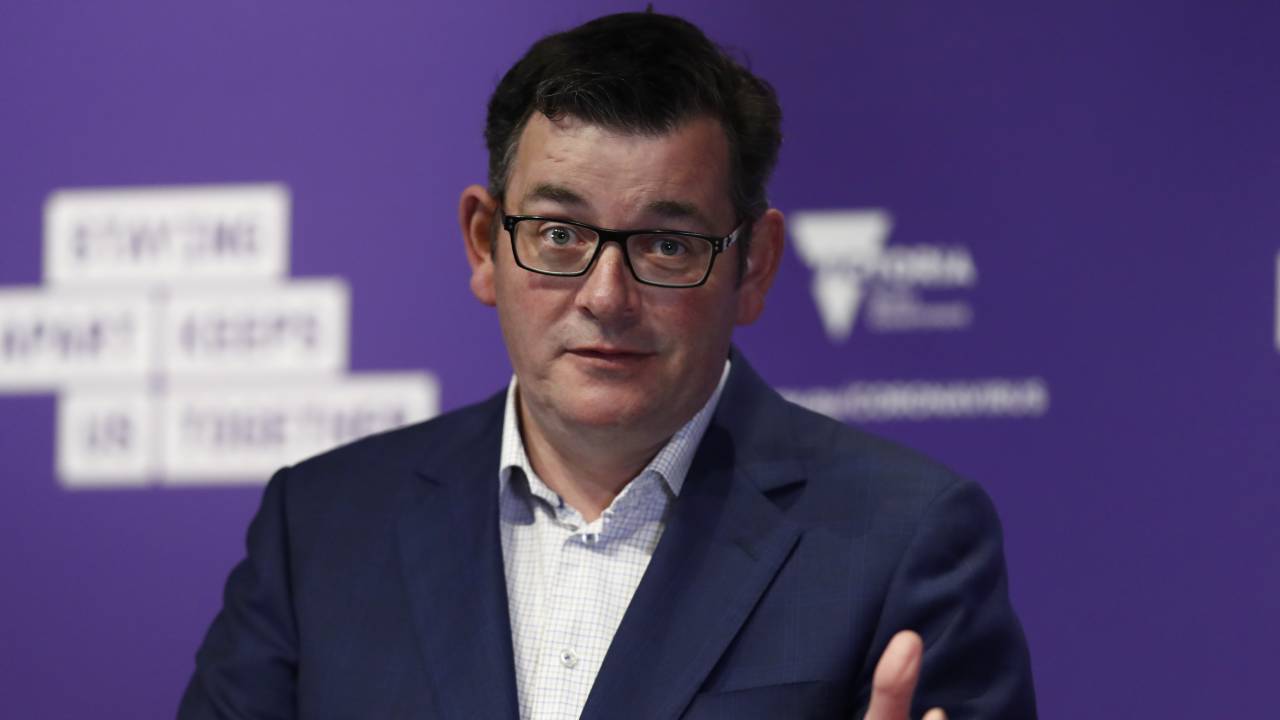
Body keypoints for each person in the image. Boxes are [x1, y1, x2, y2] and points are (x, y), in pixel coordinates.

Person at [179, 11, 1035, 720]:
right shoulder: (320, 529)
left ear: (755, 266)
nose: (606, 296)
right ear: (484, 243)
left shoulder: (903, 538)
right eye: (560, 233)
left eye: (667, 244)